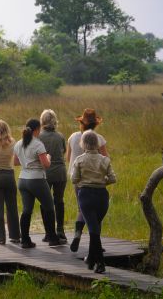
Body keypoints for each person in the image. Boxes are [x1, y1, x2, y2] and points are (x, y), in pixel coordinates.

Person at [14, 119, 65, 248]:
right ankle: (53, 238)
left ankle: (25, 240)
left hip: (22, 180)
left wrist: (28, 162)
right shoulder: (38, 144)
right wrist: (48, 157)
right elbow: (46, 165)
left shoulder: (19, 143)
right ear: (37, 129)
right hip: (36, 179)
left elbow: (15, 162)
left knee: (27, 210)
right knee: (49, 207)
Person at [71, 130, 117, 273]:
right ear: (97, 143)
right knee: (95, 227)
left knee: (93, 229)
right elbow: (113, 179)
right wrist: (101, 182)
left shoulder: (79, 160)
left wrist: (85, 181)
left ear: (83, 144)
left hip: (86, 196)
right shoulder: (105, 160)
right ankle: (91, 259)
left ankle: (101, 263)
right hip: (102, 197)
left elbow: (74, 179)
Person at [66, 108, 109, 252]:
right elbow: (105, 159)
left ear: (81, 123)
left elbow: (68, 159)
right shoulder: (99, 138)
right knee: (96, 212)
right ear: (95, 124)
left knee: (82, 208)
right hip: (95, 180)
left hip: (77, 179)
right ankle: (97, 244)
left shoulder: (72, 137)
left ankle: (77, 234)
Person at [37, 109, 67, 242]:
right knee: (59, 201)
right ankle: (60, 230)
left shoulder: (38, 137)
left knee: (45, 203)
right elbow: (64, 151)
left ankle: (48, 232)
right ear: (54, 120)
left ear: (42, 121)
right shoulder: (60, 136)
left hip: (45, 173)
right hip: (60, 172)